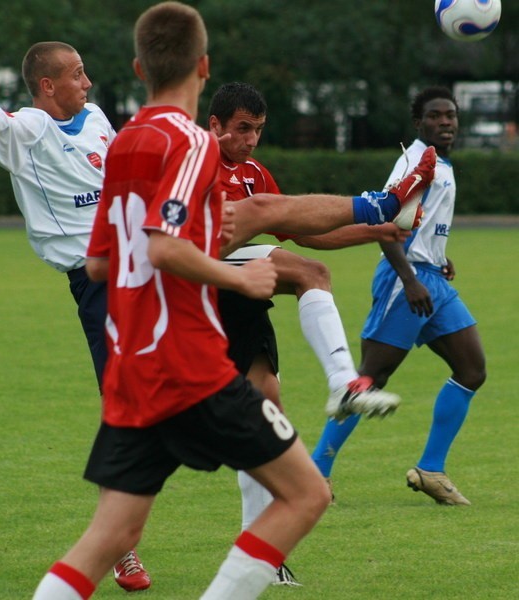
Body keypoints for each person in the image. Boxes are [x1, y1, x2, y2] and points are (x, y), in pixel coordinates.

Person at [32, 4, 436, 599]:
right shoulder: (192, 142)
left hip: (131, 366)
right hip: (187, 363)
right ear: (203, 66)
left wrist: (200, 255)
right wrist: (239, 275)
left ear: (139, 67)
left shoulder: (120, 145)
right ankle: (380, 207)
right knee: (307, 494)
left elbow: (98, 262)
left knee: (110, 534)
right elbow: (195, 236)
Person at [0, 40, 151, 591]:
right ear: (47, 86)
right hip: (101, 284)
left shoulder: (98, 118)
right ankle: (119, 544)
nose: (89, 82)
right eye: (77, 74)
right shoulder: (28, 129)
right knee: (126, 413)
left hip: (150, 267)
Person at [210, 81, 409, 585]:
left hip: (243, 294)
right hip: (201, 282)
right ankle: (344, 381)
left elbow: (305, 231)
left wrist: (377, 230)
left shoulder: (254, 173)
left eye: (257, 130)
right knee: (311, 274)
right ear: (214, 125)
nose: (250, 140)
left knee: (264, 414)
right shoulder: (194, 163)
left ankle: (262, 555)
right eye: (241, 129)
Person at [311, 86, 486, 506]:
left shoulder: (440, 163)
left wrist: (438, 261)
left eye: (451, 115)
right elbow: (386, 221)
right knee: (370, 379)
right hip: (403, 278)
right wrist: (409, 278)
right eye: (436, 115)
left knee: (472, 369)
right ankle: (316, 474)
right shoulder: (415, 159)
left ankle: (430, 469)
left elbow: (421, 223)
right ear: (418, 122)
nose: (446, 121)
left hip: (431, 278)